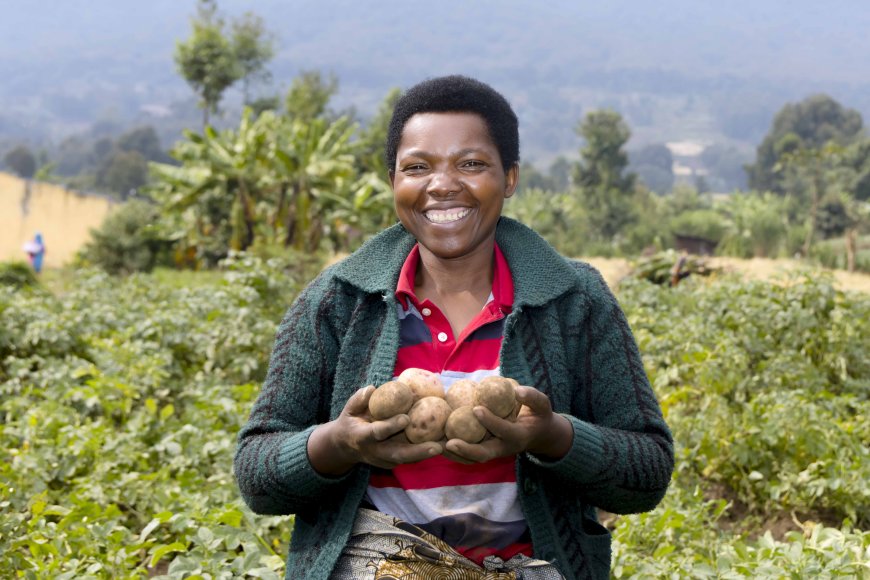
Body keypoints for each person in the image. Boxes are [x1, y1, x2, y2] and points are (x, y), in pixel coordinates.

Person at [235, 75, 673, 580]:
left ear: (509, 178)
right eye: (418, 167)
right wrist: (341, 444)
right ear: (393, 181)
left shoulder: (574, 300)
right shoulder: (337, 301)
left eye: (471, 164)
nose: (442, 185)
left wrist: (552, 436)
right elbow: (256, 475)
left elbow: (648, 473)